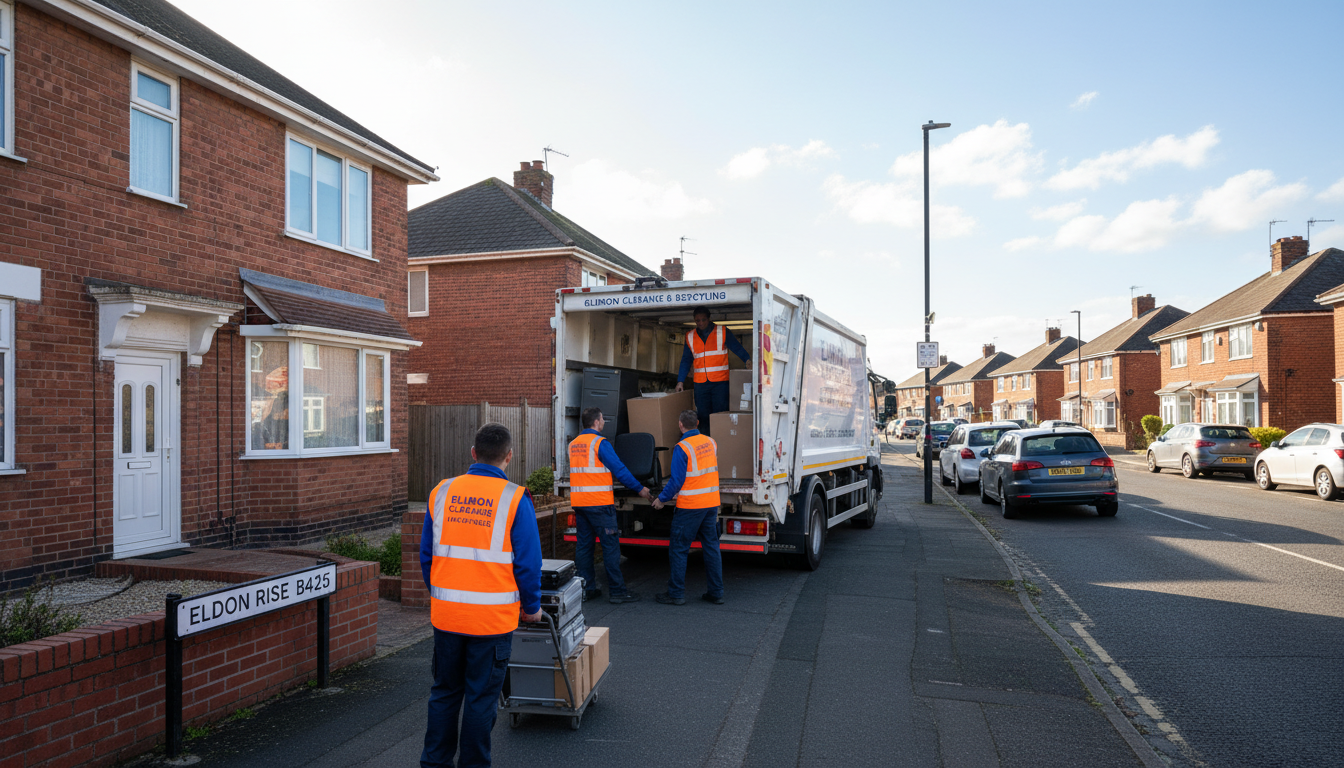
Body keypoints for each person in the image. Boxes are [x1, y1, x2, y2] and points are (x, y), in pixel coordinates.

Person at [420, 423, 543, 768]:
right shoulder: (516, 498)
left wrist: (442, 595)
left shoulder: (441, 492)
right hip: (491, 623)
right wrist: (531, 607)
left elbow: (427, 556)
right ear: (509, 456)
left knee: (444, 693)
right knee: (480, 698)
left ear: (473, 453)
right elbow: (529, 564)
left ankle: (433, 763)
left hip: (447, 618)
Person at [569, 407, 651, 604]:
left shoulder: (573, 444)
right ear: (596, 422)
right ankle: (617, 591)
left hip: (580, 504)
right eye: (603, 419)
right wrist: (640, 489)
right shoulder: (600, 443)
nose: (604, 421)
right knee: (610, 548)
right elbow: (619, 470)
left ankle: (587, 589)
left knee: (584, 548)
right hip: (600, 505)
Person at [651, 409, 724, 606]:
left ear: (680, 425)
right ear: (698, 423)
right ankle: (716, 592)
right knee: (711, 547)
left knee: (679, 548)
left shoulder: (682, 447)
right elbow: (700, 474)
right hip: (710, 504)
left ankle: (675, 594)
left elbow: (676, 480)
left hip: (690, 506)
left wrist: (661, 499)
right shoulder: (711, 442)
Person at [676, 306, 750, 434]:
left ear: (709, 319)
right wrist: (680, 381)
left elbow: (736, 347)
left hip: (720, 383)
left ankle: (721, 441)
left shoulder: (722, 331)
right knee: (703, 416)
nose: (701, 323)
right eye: (697, 321)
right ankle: (706, 442)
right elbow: (686, 360)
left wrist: (747, 360)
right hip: (700, 384)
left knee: (720, 413)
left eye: (703, 320)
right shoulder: (690, 336)